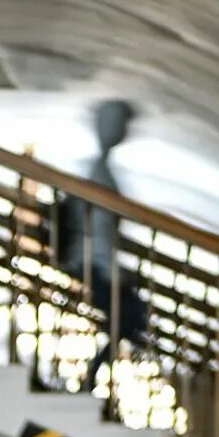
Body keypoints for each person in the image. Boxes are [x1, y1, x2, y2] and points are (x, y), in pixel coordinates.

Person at [56, 99, 150, 368]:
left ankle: (97, 368)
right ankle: (95, 369)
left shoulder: (97, 172)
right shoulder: (97, 175)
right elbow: (97, 231)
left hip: (94, 263)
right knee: (131, 315)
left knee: (130, 316)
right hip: (92, 265)